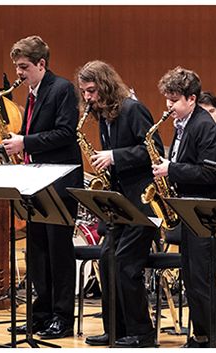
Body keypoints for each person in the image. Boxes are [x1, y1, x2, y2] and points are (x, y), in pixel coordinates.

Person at [75, 60, 164, 348]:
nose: (87, 98)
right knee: (106, 260)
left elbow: (154, 151)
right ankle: (115, 329)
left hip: (142, 202)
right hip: (119, 202)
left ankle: (143, 333)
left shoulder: (132, 109)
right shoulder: (104, 115)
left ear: (105, 86)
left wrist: (114, 156)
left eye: (91, 91)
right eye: (84, 92)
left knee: (126, 265)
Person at [2, 35, 83, 339]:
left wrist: (26, 141)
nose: (18, 73)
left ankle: (62, 317)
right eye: (16, 67)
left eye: (23, 67)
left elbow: (65, 132)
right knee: (37, 251)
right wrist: (16, 143)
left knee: (58, 252)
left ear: (41, 64)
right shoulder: (32, 93)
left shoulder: (61, 89)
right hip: (35, 181)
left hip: (60, 182)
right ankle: (41, 313)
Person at [153, 66, 216, 348]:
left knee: (201, 276)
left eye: (174, 100)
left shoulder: (203, 126)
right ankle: (201, 335)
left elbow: (209, 173)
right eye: (167, 99)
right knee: (190, 275)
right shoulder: (185, 122)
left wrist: (170, 169)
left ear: (192, 98)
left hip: (204, 211)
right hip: (188, 208)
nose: (168, 105)